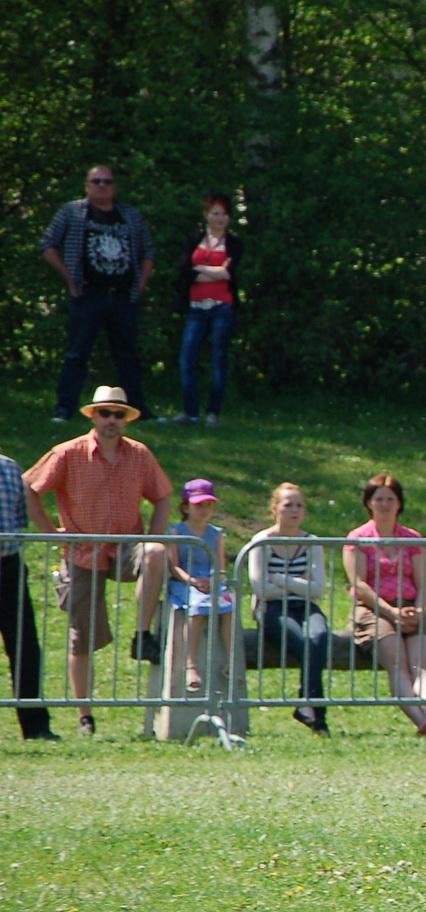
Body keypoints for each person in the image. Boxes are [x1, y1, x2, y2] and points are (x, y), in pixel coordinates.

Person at [23, 386, 172, 736]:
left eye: (119, 415)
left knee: (156, 552)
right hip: (83, 553)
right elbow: (30, 487)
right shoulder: (68, 452)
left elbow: (163, 496)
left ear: (126, 420)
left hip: (125, 547)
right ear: (93, 415)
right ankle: (85, 717)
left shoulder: (139, 454)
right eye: (106, 413)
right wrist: (50, 533)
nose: (112, 421)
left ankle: (142, 634)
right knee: (82, 638)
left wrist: (154, 534)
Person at [39, 166, 157, 422]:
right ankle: (65, 408)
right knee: (77, 353)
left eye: (107, 181)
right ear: (87, 185)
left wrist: (140, 285)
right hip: (87, 293)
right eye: (97, 181)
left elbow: (149, 251)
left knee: (127, 355)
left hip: (123, 296)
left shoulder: (130, 216)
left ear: (114, 186)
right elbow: (47, 244)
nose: (102, 185)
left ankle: (137, 409)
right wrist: (69, 279)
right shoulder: (72, 212)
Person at [343, 474, 426, 737]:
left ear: (400, 503)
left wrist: (419, 611)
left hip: (411, 606)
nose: (385, 504)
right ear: (369, 503)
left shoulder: (413, 538)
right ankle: (422, 720)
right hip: (373, 609)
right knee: (397, 663)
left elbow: (423, 582)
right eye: (379, 499)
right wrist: (390, 613)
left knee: (420, 664)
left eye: (391, 499)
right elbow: (359, 584)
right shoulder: (357, 538)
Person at [246, 481, 329, 736]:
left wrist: (281, 580)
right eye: (288, 505)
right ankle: (318, 717)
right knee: (304, 642)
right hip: (272, 609)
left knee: (319, 636)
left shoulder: (312, 542)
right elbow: (261, 589)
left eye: (299, 505)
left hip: (306, 607)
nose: (294, 510)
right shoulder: (261, 542)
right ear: (275, 508)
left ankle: (306, 704)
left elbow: (317, 590)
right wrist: (299, 584)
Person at [173, 193, 244, 427]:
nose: (220, 218)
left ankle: (213, 412)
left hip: (222, 307)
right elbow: (185, 272)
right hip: (196, 308)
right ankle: (190, 412)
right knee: (187, 358)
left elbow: (229, 275)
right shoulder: (194, 240)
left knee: (218, 360)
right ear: (206, 215)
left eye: (224, 214)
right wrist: (214, 271)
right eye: (215, 213)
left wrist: (200, 269)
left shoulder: (233, 243)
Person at [0, 453, 55, 739]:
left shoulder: (10, 468)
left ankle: (35, 726)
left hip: (9, 567)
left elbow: (19, 520)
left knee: (25, 648)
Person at [165, 479, 236, 695]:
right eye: (198, 505)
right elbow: (174, 566)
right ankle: (191, 665)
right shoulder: (176, 531)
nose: (204, 510)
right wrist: (192, 581)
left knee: (228, 605)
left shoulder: (217, 533)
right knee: (196, 607)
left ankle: (230, 661)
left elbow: (220, 566)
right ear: (186, 507)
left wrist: (214, 581)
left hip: (211, 583)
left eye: (209, 505)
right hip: (183, 583)